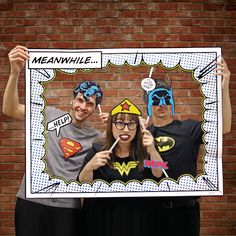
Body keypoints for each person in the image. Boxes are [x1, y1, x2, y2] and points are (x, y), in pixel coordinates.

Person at [3, 45, 108, 236]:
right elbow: (10, 109)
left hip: (67, 206)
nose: (83, 106)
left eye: (90, 103)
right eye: (80, 100)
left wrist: (114, 124)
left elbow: (128, 143)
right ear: (72, 100)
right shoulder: (48, 114)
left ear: (95, 109)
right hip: (31, 200)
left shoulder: (97, 137)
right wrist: (14, 72)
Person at [143, 58, 232, 236]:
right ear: (148, 104)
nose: (162, 105)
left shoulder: (188, 129)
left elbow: (225, 127)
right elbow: (156, 170)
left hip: (185, 211)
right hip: (153, 211)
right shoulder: (144, 136)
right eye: (156, 100)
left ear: (172, 101)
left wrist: (224, 88)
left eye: (166, 99)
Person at [78, 98, 165, 236]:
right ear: (111, 125)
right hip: (104, 220)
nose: (125, 129)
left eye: (131, 124)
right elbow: (82, 184)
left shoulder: (145, 152)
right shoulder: (98, 149)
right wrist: (90, 166)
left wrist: (153, 150)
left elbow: (160, 172)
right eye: (119, 123)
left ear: (137, 127)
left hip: (139, 219)